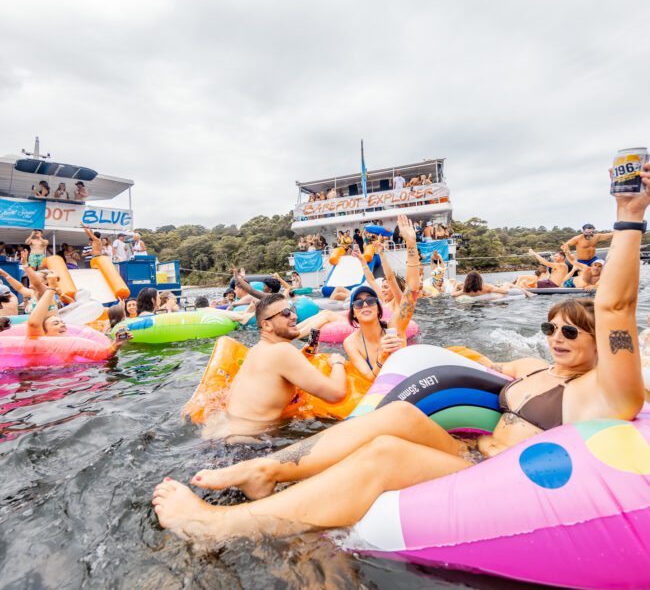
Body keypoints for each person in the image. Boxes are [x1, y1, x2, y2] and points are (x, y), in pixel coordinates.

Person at [153, 166, 650, 544]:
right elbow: (480, 366)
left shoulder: (607, 391)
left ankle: (221, 525)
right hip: (470, 452)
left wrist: (629, 219)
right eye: (549, 327)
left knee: (385, 456)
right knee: (397, 415)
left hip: (500, 479)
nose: (556, 336)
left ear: (599, 343)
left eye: (570, 331)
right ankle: (267, 469)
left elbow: (616, 307)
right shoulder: (537, 369)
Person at [199, 293, 347, 438]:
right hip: (250, 445)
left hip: (224, 438)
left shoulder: (256, 350)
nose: (294, 316)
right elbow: (335, 394)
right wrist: (337, 362)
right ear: (267, 325)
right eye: (286, 313)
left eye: (292, 310)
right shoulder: (283, 351)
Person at [343, 216, 419, 379]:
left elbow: (412, 289)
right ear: (353, 312)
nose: (365, 305)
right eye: (358, 302)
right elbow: (369, 377)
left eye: (370, 300)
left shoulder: (395, 329)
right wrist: (382, 356)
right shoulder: (350, 342)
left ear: (378, 308)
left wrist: (411, 244)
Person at [27, 277, 131, 354]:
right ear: (44, 332)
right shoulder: (41, 345)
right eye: (56, 323)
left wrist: (116, 345)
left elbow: (105, 356)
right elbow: (33, 324)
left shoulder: (75, 345)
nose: (63, 325)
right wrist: (52, 288)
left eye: (62, 322)